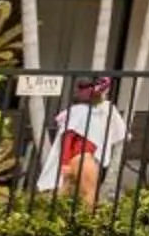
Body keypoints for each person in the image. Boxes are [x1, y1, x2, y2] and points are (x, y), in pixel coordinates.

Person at [37, 75, 128, 206]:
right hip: (82, 158)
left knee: (63, 195)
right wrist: (65, 164)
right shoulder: (83, 113)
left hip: (75, 159)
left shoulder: (89, 112)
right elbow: (67, 137)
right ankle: (85, 223)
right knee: (90, 195)